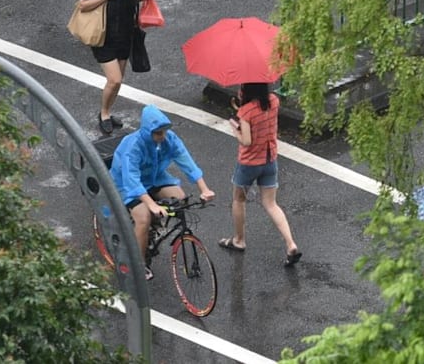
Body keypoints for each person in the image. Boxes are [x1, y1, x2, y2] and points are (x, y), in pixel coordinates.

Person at [109, 105, 216, 280]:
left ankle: (154, 226)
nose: (162, 137)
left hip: (154, 178)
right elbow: (131, 180)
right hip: (124, 183)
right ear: (147, 131)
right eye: (158, 133)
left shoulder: (168, 139)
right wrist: (150, 205)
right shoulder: (134, 146)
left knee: (180, 198)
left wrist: (204, 188)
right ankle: (138, 264)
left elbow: (186, 161)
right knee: (143, 218)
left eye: (164, 132)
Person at [219, 83, 302, 267]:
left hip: (248, 164)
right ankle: (290, 243)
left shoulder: (246, 112)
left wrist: (235, 128)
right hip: (270, 160)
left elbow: (246, 141)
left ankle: (239, 240)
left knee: (239, 200)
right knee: (271, 204)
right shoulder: (274, 101)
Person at [77, 0, 139, 134]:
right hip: (104, 39)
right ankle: (104, 114)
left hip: (124, 38)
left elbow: (125, 4)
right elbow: (82, 5)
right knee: (114, 80)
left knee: (118, 82)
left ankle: (108, 111)